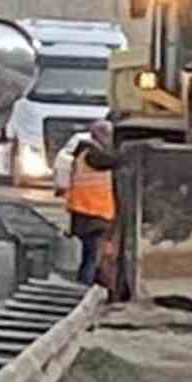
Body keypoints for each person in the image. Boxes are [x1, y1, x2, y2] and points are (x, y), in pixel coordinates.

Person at [66, 120, 121, 285]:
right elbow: (112, 161)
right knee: (92, 256)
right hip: (92, 214)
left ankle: (86, 283)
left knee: (90, 255)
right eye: (108, 135)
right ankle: (85, 286)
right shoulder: (92, 155)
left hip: (86, 213)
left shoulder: (84, 153)